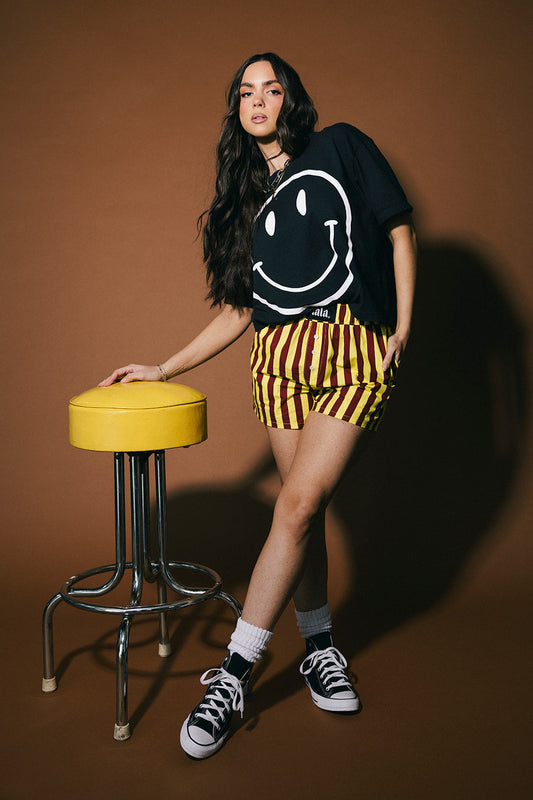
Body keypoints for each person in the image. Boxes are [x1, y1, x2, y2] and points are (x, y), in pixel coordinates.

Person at [100, 52, 417, 759]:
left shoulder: (341, 147)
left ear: (290, 101)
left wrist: (400, 325)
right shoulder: (242, 199)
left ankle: (234, 674)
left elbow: (398, 228)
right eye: (246, 92)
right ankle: (318, 647)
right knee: (300, 516)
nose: (259, 100)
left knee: (297, 505)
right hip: (276, 366)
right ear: (237, 111)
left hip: (347, 350)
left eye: (271, 89)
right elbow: (240, 310)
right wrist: (163, 366)